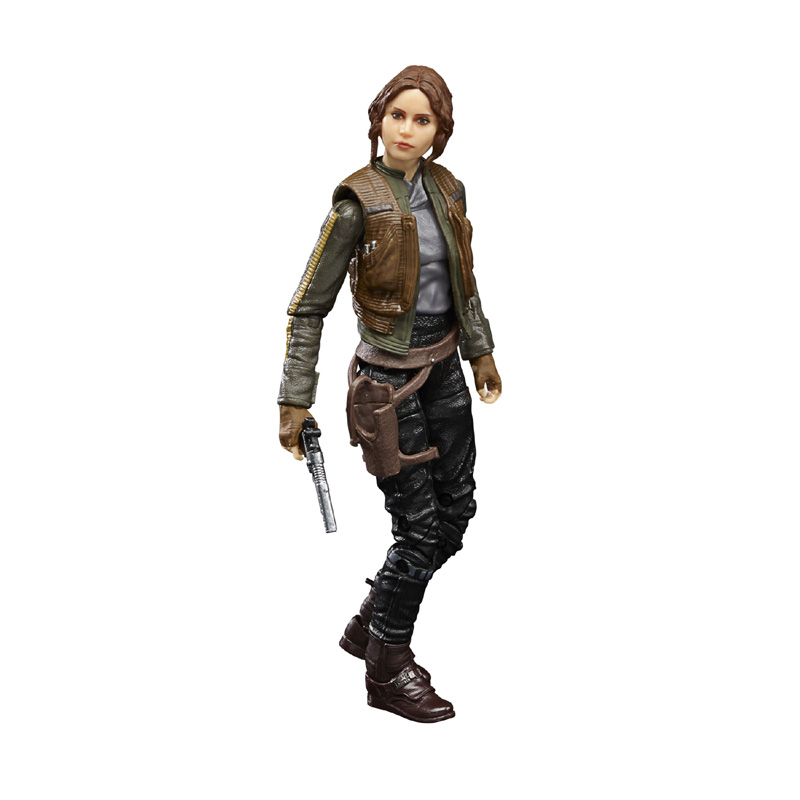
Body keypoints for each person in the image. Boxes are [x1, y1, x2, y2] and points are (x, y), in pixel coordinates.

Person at [278, 65, 502, 723]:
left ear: (439, 132)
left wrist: (481, 350)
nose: (406, 130)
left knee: (456, 514)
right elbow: (308, 305)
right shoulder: (357, 202)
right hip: (388, 386)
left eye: (422, 120)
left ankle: (369, 623)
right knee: (419, 528)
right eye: (396, 115)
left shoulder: (448, 190)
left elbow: (464, 282)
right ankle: (385, 666)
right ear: (378, 120)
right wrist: (294, 397)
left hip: (446, 371)